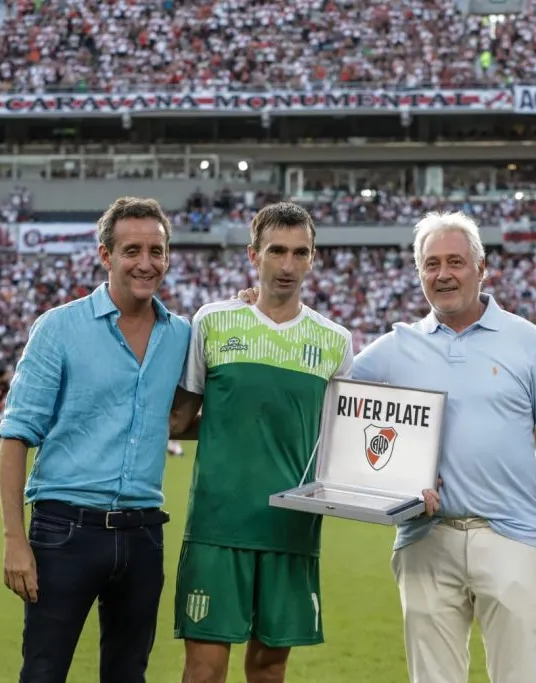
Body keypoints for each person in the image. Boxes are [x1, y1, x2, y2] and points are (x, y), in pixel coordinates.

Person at [168, 202, 430, 683]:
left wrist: (410, 479)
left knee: (270, 668)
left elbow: (351, 436)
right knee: (203, 672)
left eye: (299, 253)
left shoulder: (333, 340)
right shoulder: (213, 322)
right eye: (276, 251)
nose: (287, 265)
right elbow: (180, 418)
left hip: (291, 528)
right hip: (217, 525)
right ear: (254, 255)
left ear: (313, 258)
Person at [350, 211, 536, 683]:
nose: (443, 274)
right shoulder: (396, 348)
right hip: (424, 539)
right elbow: (336, 407)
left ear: (481, 267)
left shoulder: (528, 341)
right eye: (431, 264)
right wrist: (264, 301)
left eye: (455, 261)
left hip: (513, 537)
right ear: (419, 274)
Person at [0, 197, 191, 683]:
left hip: (144, 533)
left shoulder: (182, 335)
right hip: (65, 531)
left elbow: (181, 418)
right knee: (43, 672)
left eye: (156, 251)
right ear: (105, 256)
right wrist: (15, 540)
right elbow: (16, 436)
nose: (146, 263)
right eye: (131, 250)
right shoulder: (59, 328)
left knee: (129, 675)